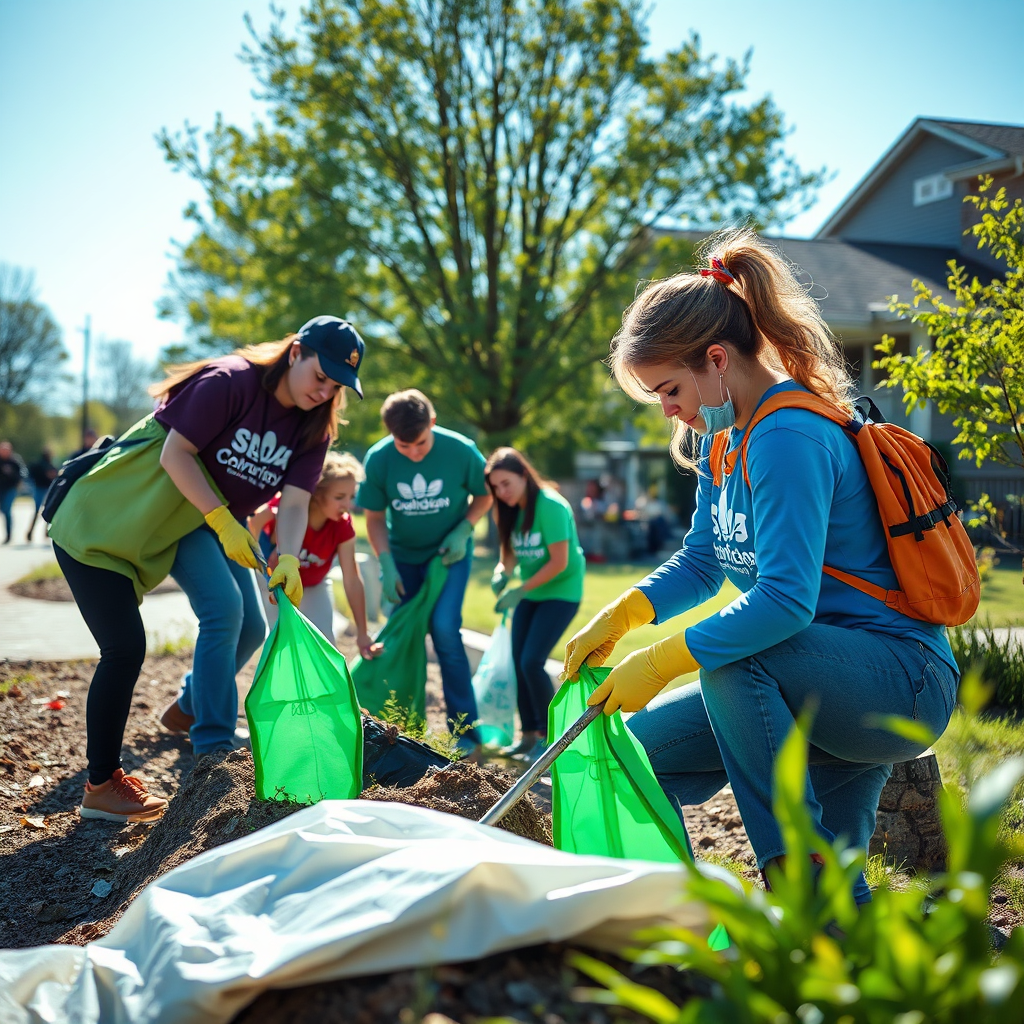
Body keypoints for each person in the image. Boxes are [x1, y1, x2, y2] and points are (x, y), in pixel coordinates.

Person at [562, 229, 958, 904]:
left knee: (737, 659)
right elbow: (703, 561)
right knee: (637, 761)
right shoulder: (725, 438)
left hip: (895, 681)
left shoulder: (790, 435)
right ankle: (692, 920)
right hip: (812, 679)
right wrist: (629, 612)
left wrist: (660, 660)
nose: (668, 409)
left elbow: (784, 602)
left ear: (717, 359)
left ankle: (789, 884)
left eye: (670, 388)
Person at [48, 315, 365, 823]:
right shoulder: (229, 382)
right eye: (320, 376)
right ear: (295, 353)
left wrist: (287, 555)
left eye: (337, 386)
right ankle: (206, 743)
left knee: (251, 624)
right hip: (142, 515)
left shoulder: (314, 424)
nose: (324, 391)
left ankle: (190, 706)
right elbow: (176, 454)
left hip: (197, 520)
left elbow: (299, 500)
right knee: (187, 624)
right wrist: (219, 518)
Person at [357, 389, 492, 746]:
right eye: (404, 447)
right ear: (390, 435)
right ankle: (397, 723)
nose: (414, 453)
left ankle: (466, 733)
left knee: (446, 629)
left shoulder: (460, 449)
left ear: (432, 423)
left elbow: (485, 493)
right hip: (402, 558)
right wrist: (386, 562)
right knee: (404, 635)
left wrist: (465, 529)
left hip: (448, 555)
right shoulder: (379, 459)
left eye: (419, 443)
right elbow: (373, 519)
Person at [486, 448, 585, 762]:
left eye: (506, 484)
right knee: (518, 661)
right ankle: (528, 736)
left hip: (561, 592)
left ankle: (553, 738)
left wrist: (520, 589)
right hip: (531, 592)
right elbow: (510, 554)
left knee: (532, 661)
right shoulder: (508, 508)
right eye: (496, 487)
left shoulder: (551, 506)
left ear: (524, 475)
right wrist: (502, 573)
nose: (502, 492)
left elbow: (559, 562)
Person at [249, 451, 381, 658]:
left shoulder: (342, 526)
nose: (347, 505)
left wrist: (362, 634)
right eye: (339, 497)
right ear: (317, 493)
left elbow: (352, 579)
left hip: (313, 585)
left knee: (324, 645)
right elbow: (251, 533)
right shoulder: (288, 507)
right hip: (276, 586)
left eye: (351, 497)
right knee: (282, 644)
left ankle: (323, 691)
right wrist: (265, 516)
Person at [25, 446, 58, 541]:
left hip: (45, 488)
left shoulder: (48, 464)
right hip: (41, 488)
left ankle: (42, 532)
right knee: (44, 510)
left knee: (43, 511)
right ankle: (36, 532)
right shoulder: (43, 465)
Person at [0, 440, 27, 544]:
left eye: (6, 449)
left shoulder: (15, 461)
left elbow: (23, 472)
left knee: (7, 509)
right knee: (3, 509)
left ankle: (9, 535)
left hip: (11, 488)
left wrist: (16, 478)